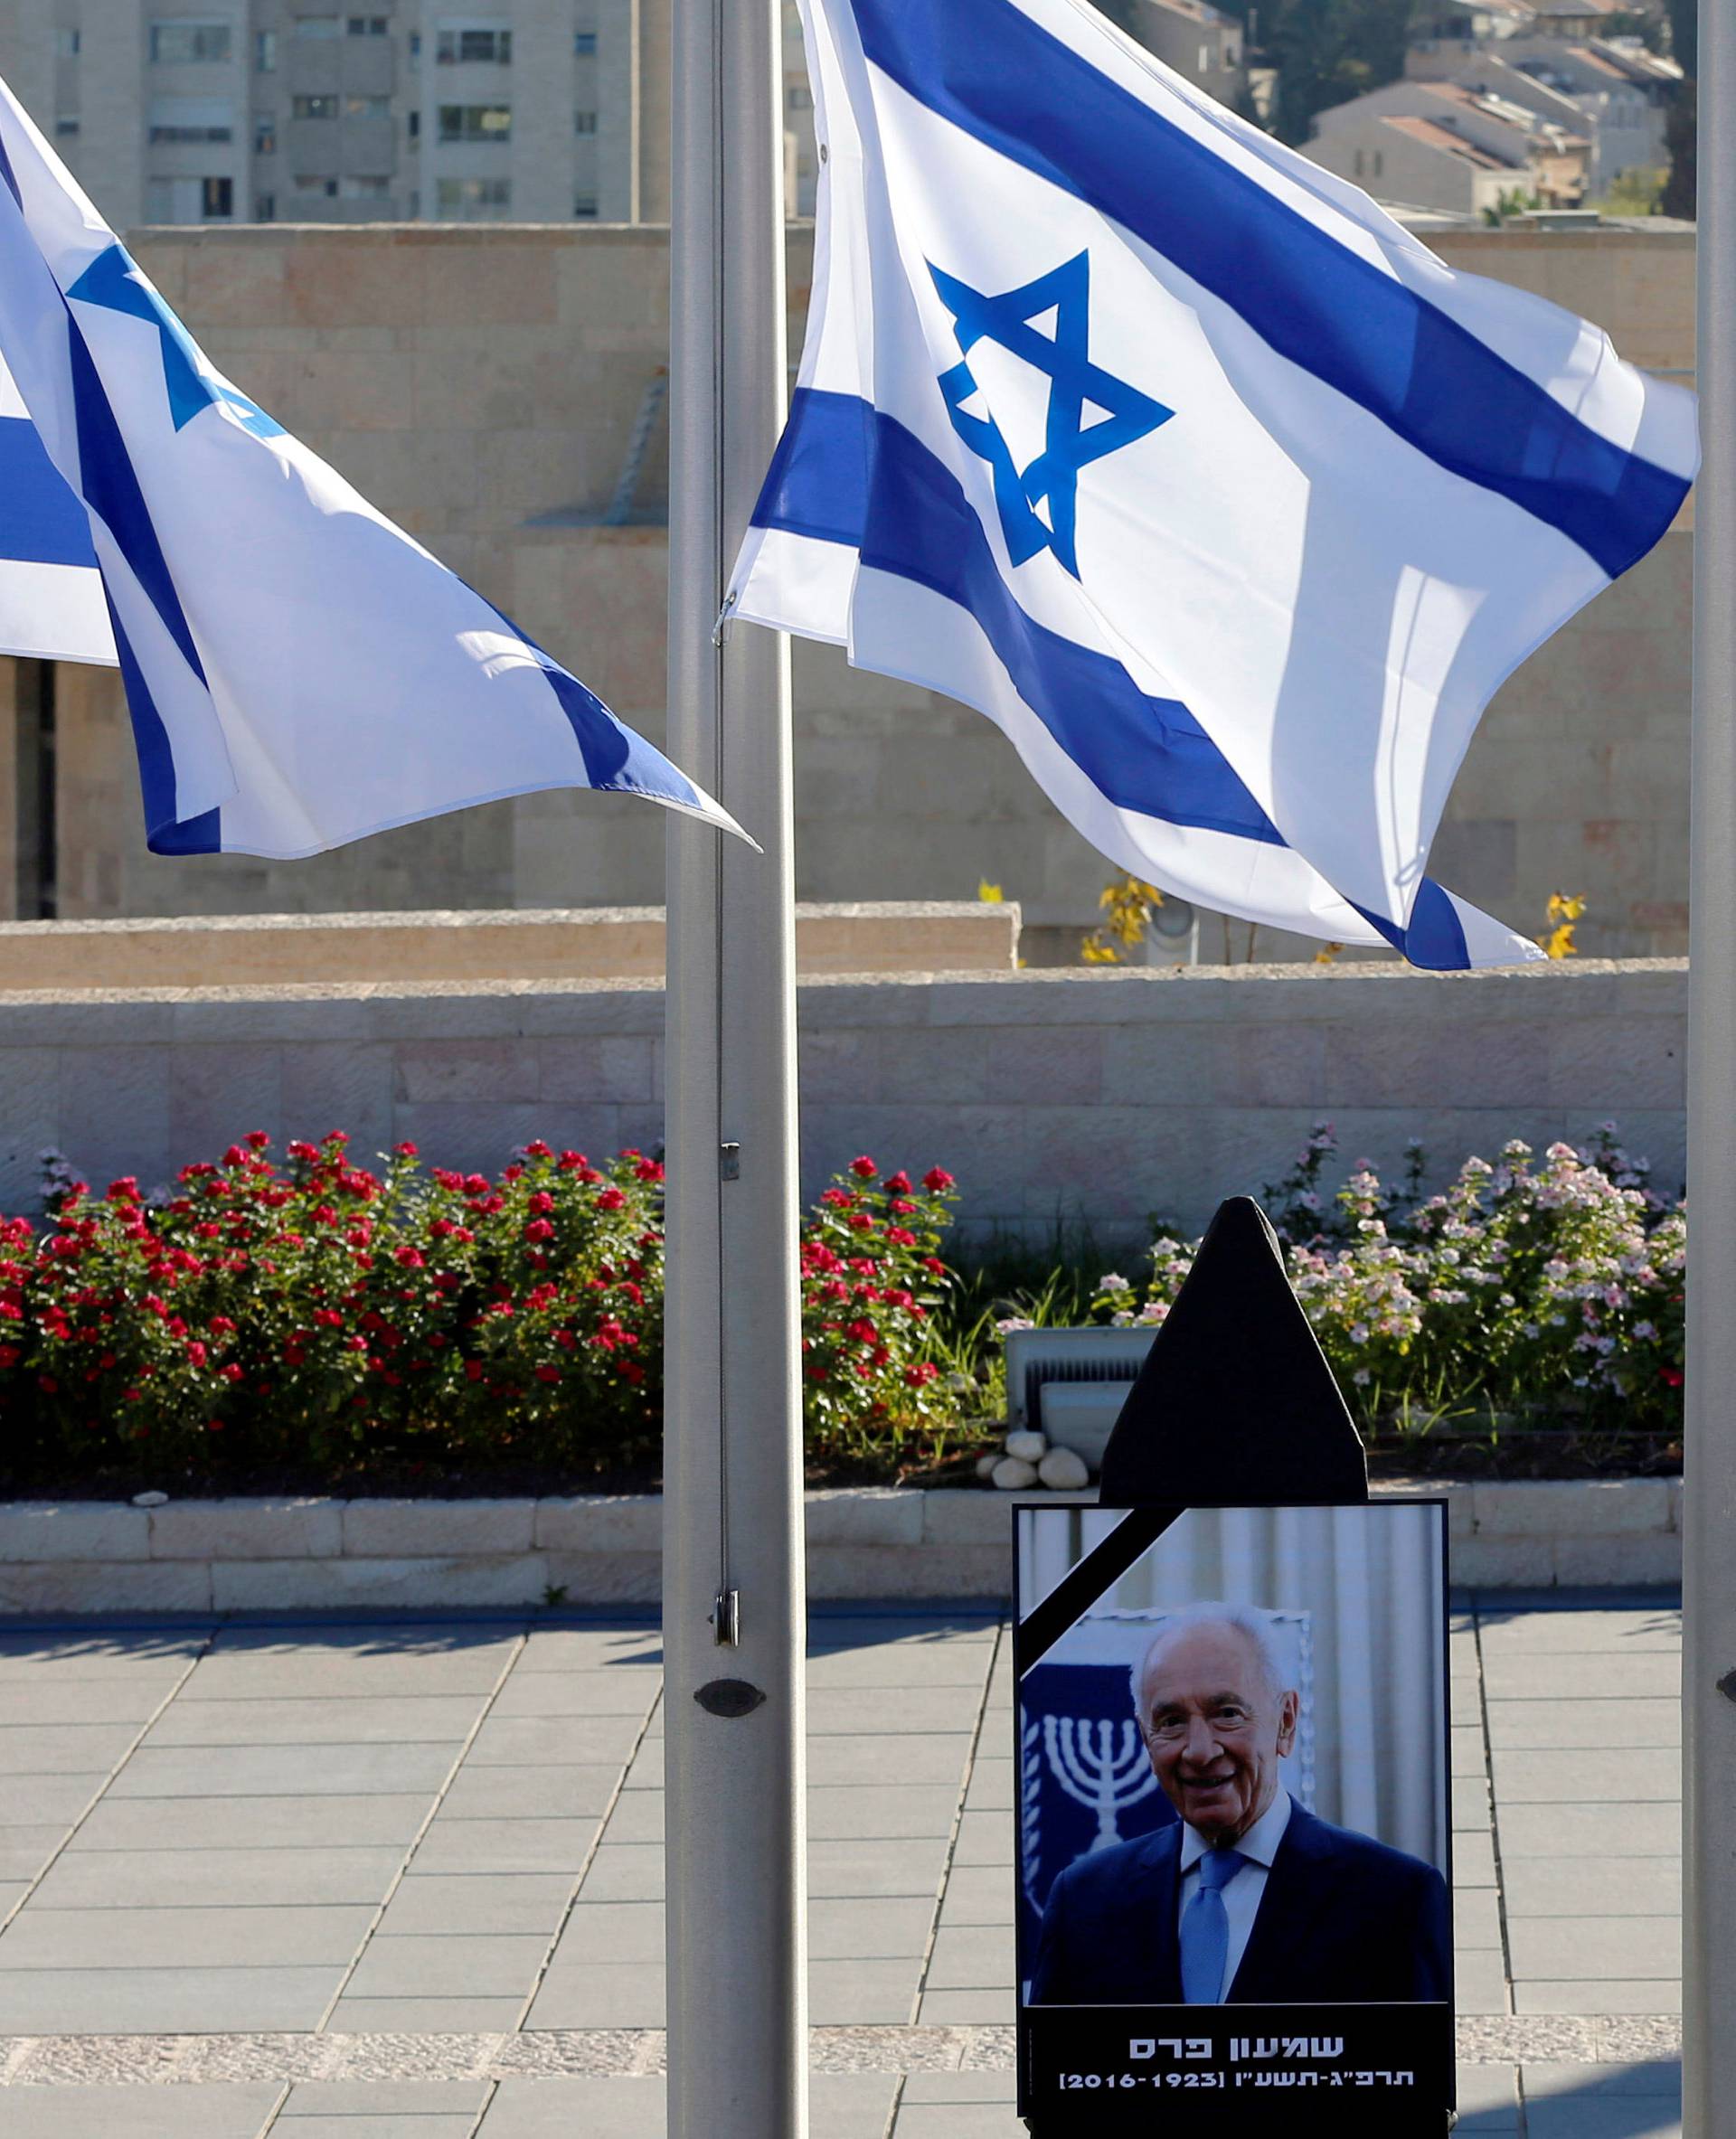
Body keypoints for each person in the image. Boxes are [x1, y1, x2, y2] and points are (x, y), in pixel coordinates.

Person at [1028, 1605, 1450, 2006]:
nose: (1199, 1750)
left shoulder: (1395, 1901)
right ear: (1144, 1738)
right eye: (1172, 1721)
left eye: (1226, 1714)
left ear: (1285, 1722)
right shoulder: (1083, 1902)